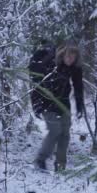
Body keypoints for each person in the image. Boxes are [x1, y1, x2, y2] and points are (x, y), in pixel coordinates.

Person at [29, 41, 84, 171]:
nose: (70, 59)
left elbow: (78, 87)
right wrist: (36, 106)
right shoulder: (50, 65)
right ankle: (40, 160)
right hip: (46, 102)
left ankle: (60, 165)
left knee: (65, 134)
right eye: (68, 55)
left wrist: (79, 106)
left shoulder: (75, 68)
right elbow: (36, 86)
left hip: (64, 103)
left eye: (73, 56)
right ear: (62, 55)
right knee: (55, 131)